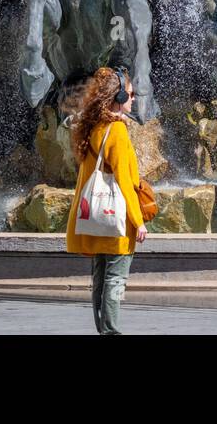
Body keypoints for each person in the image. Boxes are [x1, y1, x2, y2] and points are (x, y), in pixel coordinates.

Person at [65, 67, 147, 334]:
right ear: (119, 96)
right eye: (130, 94)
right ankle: (111, 331)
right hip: (117, 221)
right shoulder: (118, 132)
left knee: (100, 278)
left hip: (97, 217)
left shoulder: (95, 127)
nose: (133, 99)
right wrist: (139, 221)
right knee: (116, 279)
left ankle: (103, 329)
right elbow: (125, 182)